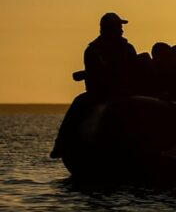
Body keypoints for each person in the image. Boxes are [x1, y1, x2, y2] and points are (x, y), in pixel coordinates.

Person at [50, 12, 138, 159]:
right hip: (100, 94)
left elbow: (134, 70)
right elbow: (96, 78)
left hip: (124, 92)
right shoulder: (94, 51)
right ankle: (61, 144)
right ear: (110, 29)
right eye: (119, 27)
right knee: (79, 103)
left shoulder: (126, 48)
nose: (122, 30)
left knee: (78, 103)